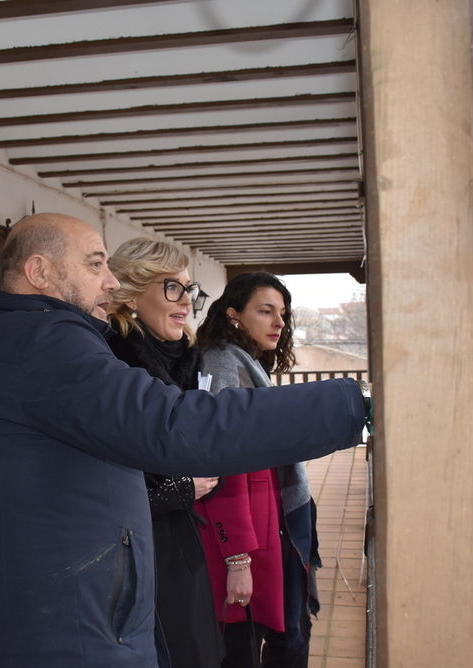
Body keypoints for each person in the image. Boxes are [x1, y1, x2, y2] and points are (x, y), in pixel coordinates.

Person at [0, 213, 366, 668]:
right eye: (95, 264)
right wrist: (352, 407)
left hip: (63, 625)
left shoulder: (16, 339)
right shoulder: (43, 342)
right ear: (41, 272)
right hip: (64, 639)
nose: (110, 282)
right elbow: (176, 426)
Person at [106, 237, 224, 668]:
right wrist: (177, 490)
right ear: (132, 293)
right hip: (132, 551)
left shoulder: (185, 358)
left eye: (188, 289)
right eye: (171, 287)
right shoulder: (112, 362)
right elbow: (100, 480)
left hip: (177, 540)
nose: (187, 303)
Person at [195, 272, 322, 668]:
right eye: (266, 311)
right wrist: (240, 558)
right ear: (233, 315)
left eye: (282, 313)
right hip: (258, 523)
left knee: (286, 632)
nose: (279, 323)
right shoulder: (222, 361)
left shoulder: (242, 358)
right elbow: (223, 461)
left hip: (274, 514)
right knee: (270, 639)